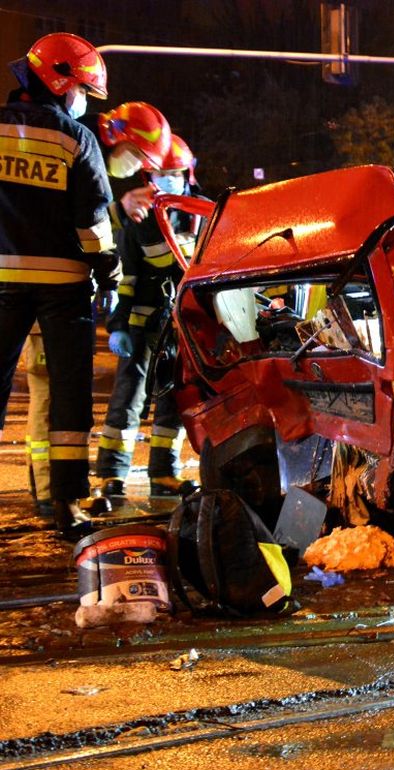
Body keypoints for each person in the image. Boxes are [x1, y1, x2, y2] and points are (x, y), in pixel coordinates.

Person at [19, 99, 173, 520]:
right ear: (121, 143)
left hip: (51, 298)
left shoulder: (80, 153)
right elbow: (72, 223)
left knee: (60, 399)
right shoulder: (76, 148)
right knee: (50, 398)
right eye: (140, 156)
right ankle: (53, 495)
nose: (141, 168)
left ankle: (58, 493)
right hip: (41, 297)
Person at [0, 32, 121, 534]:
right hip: (63, 286)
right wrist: (109, 269)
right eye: (83, 93)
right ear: (59, 81)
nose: (81, 103)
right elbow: (92, 221)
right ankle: (68, 504)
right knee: (69, 398)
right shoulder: (76, 140)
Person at [95, 134, 200, 503]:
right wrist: (119, 326)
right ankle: (111, 476)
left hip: (184, 328)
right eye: (161, 174)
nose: (168, 180)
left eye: (174, 173)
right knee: (128, 401)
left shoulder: (203, 214)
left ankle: (165, 474)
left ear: (187, 172)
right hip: (143, 326)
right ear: (148, 179)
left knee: (175, 402)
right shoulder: (141, 218)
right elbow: (127, 278)